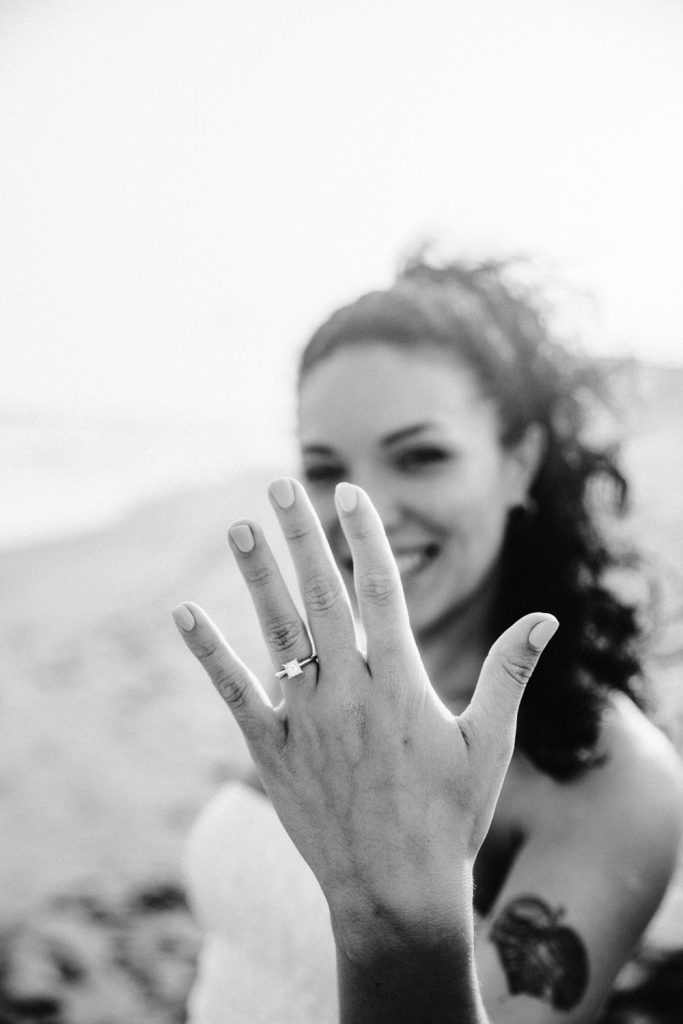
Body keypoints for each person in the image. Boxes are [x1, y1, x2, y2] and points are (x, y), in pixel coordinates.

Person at [173, 255, 683, 1023]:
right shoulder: (322, 680)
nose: (366, 511)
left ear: (518, 464)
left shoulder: (614, 781)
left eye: (420, 456)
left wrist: (393, 911)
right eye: (325, 468)